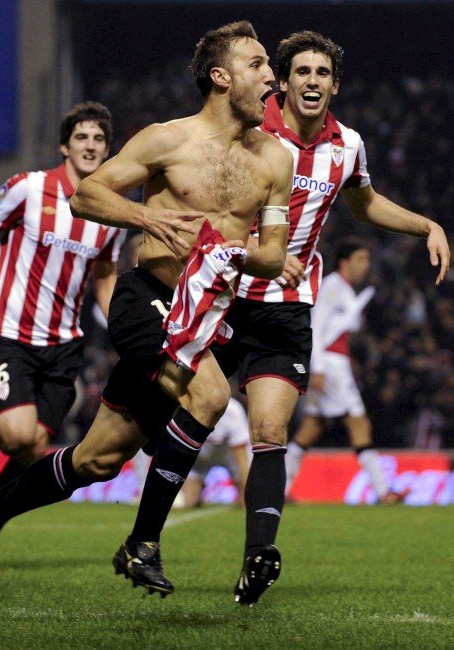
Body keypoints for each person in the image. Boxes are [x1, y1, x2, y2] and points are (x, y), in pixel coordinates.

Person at [0, 21, 293, 601]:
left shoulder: (274, 161)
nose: (271, 79)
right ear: (220, 76)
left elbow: (275, 253)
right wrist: (149, 219)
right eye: (258, 65)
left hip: (205, 315)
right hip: (146, 300)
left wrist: (243, 255)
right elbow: (88, 194)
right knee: (207, 397)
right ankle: (142, 543)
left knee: (97, 460)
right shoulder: (166, 140)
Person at [214, 30, 449, 606]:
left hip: (286, 307)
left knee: (270, 431)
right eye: (303, 72)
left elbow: (365, 203)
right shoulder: (249, 130)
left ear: (333, 85)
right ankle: (144, 537)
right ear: (285, 82)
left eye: (323, 73)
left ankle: (256, 560)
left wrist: (427, 225)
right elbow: (212, 202)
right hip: (220, 293)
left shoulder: (349, 146)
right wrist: (260, 249)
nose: (313, 80)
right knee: (166, 418)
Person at [0, 102, 126, 570]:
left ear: (107, 151)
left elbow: (104, 273)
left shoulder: (109, 210)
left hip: (65, 343)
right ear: (65, 146)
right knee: (19, 434)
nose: (90, 146)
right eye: (82, 137)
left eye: (98, 140)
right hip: (12, 333)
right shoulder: (29, 188)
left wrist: (123, 327)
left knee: (32, 452)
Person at [285, 238, 407, 503]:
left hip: (332, 363)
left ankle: (278, 489)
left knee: (312, 426)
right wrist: (317, 368)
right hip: (329, 365)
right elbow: (315, 327)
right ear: (344, 262)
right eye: (361, 259)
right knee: (358, 421)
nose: (366, 265)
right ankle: (384, 491)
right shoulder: (332, 286)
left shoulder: (348, 291)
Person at [176, 396, 250, 508]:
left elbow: (241, 459)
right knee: (189, 502)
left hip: (229, 457)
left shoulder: (233, 411)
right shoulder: (187, 408)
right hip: (199, 459)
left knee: (246, 501)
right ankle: (200, 488)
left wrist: (246, 494)